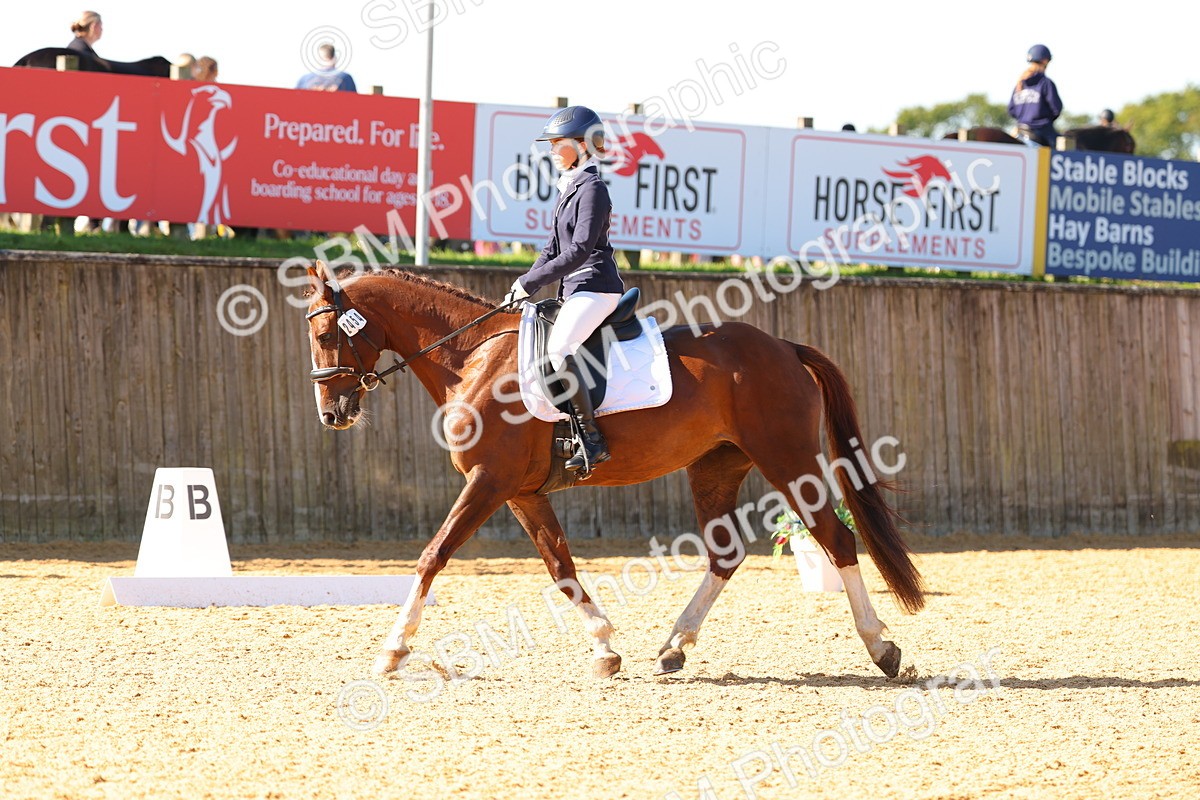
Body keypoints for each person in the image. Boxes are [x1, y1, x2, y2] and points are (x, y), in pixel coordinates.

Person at [502, 105, 624, 474]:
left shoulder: (593, 189)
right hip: (575, 288)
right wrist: (521, 285)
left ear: (582, 145)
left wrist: (531, 283)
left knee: (560, 347)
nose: (552, 150)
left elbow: (579, 250)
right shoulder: (570, 188)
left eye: (558, 143)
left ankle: (592, 440)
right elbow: (552, 249)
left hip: (596, 286)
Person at [1008, 44, 1062, 147]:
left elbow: (1011, 110)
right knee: (1064, 150)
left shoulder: (1019, 84)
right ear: (1046, 61)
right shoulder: (1045, 83)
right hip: (1042, 133)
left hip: (1020, 131)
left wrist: (1024, 119)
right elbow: (1056, 109)